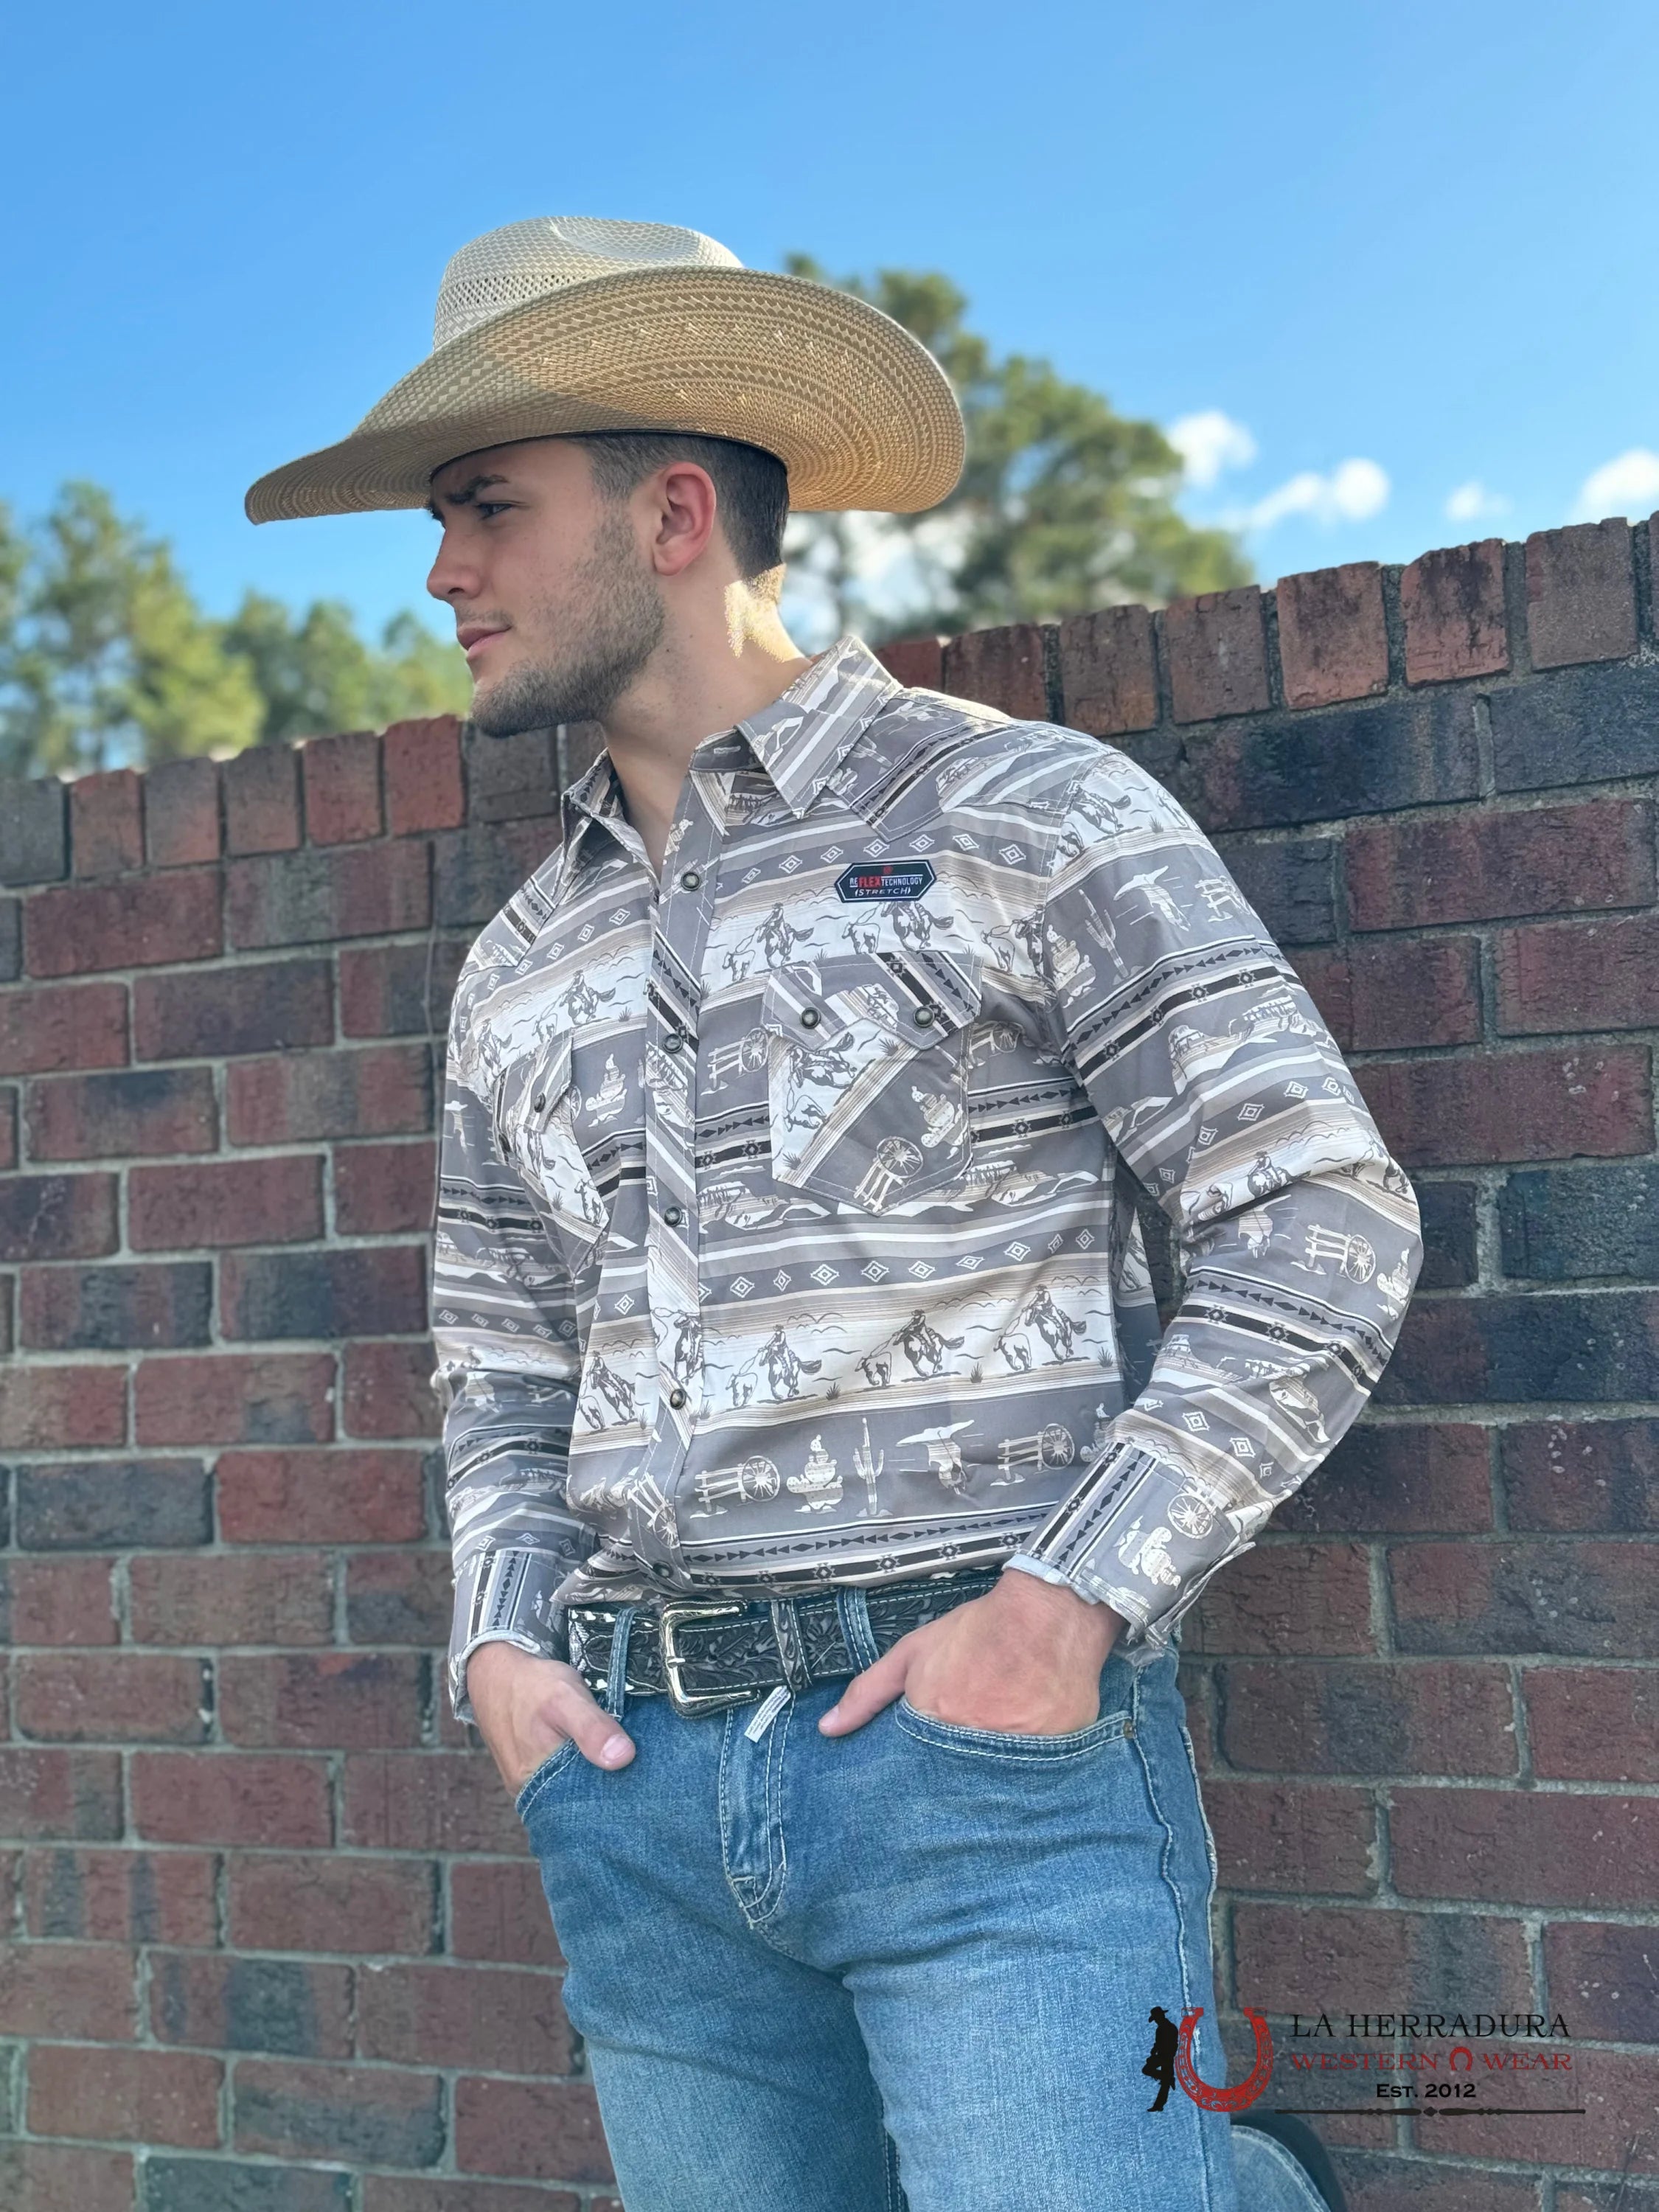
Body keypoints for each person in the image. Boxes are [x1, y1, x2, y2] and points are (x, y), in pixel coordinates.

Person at [249, 216, 1419, 2212]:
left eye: (487, 508)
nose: (442, 571)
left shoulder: (1023, 814)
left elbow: (1315, 1214)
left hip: (981, 1771)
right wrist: (501, 1652)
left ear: (672, 513)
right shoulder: (518, 961)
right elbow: (501, 1368)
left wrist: (1063, 1612)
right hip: (632, 1782)